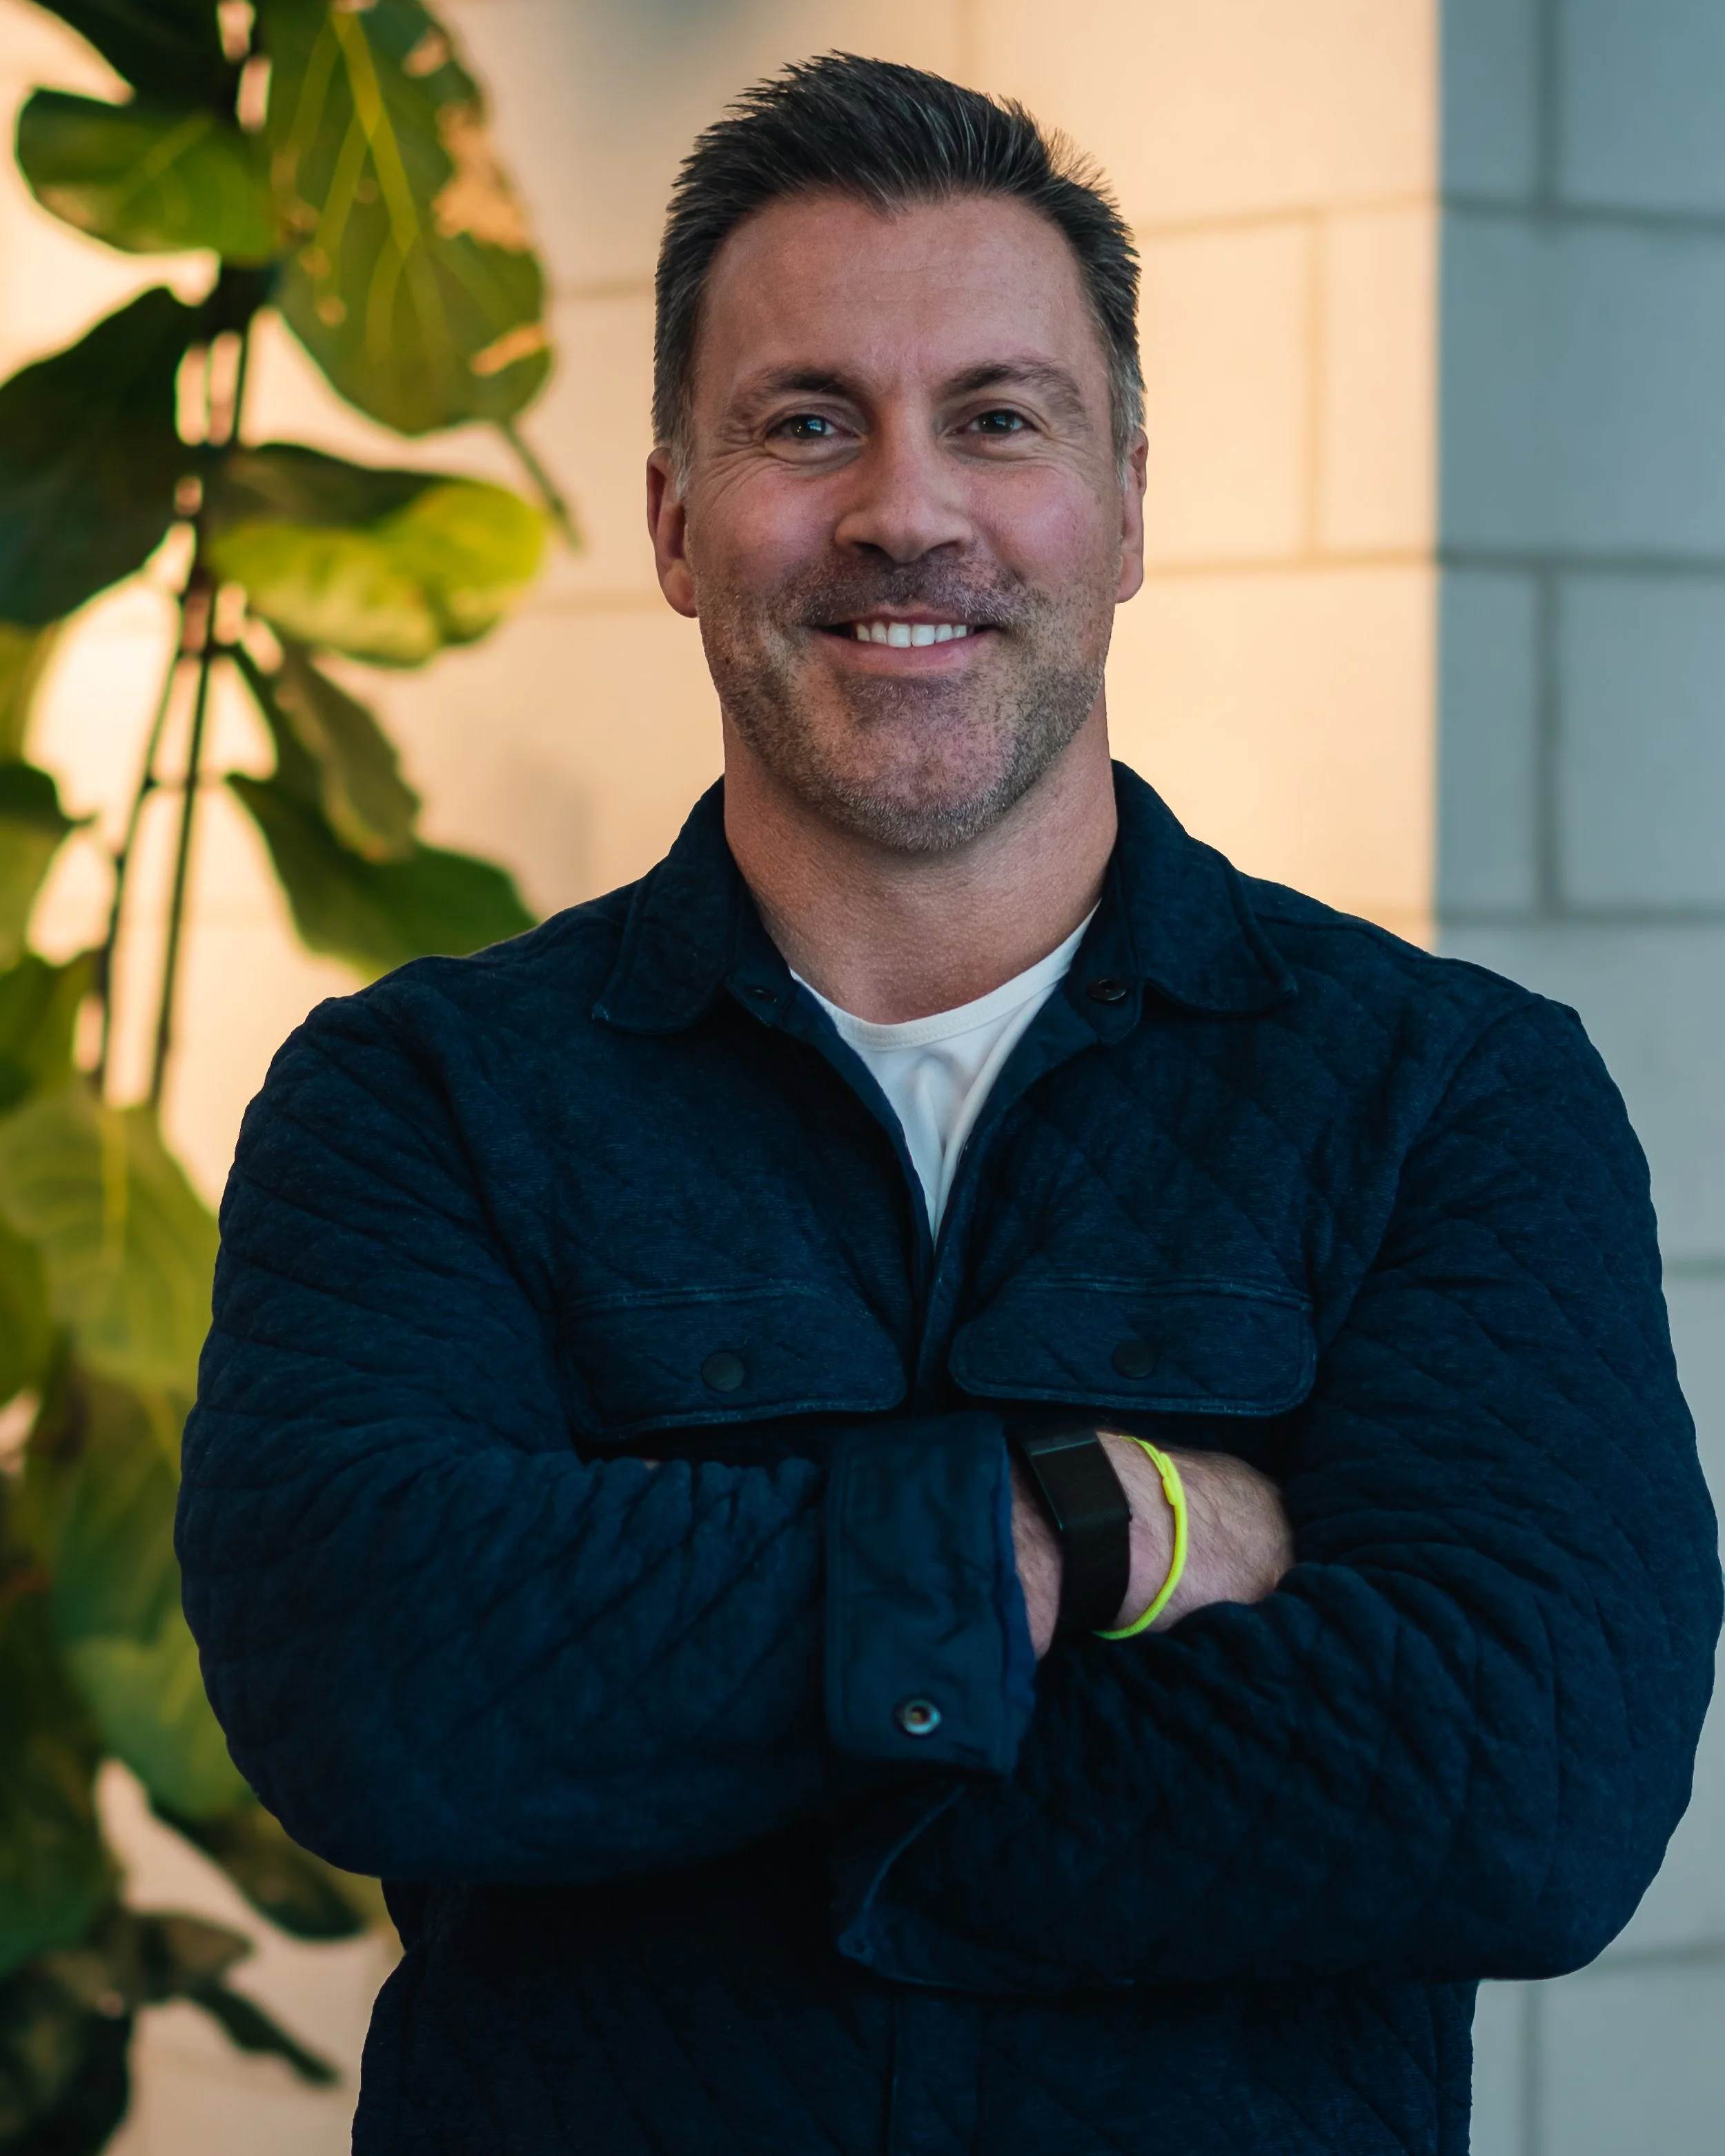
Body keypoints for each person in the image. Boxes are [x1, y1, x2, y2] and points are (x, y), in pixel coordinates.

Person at [179, 54, 1720, 2156]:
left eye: (997, 417)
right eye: (806, 421)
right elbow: (377, 1684)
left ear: (1126, 506)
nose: (907, 508)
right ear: (669, 520)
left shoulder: (1444, 1095)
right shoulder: (421, 1100)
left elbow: (1528, 1785)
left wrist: (778, 1795)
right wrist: (1103, 1527)